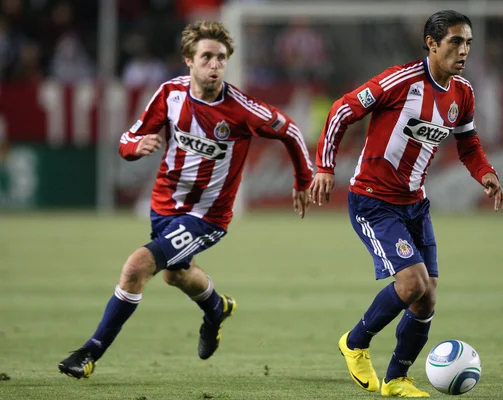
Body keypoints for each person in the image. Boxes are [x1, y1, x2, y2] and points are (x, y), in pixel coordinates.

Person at [58, 21, 313, 379]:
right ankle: (216, 307)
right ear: (188, 61)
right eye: (207, 56)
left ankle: (89, 352)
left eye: (221, 58)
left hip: (207, 217)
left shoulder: (242, 109)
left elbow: (291, 130)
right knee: (175, 276)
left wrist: (304, 179)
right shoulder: (169, 94)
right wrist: (136, 148)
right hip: (164, 205)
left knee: (136, 268)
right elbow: (128, 138)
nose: (215, 65)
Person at [310, 10, 503, 398]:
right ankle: (355, 342)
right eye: (455, 41)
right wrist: (325, 167)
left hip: (416, 203)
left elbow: (468, 145)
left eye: (468, 42)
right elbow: (341, 111)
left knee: (428, 295)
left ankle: (397, 378)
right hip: (373, 200)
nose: (464, 50)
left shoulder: (462, 94)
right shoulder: (400, 80)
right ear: (431, 43)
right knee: (412, 283)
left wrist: (485, 173)